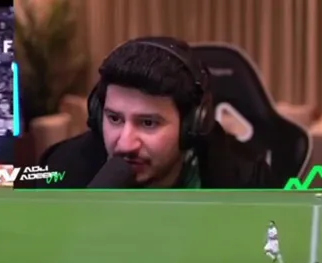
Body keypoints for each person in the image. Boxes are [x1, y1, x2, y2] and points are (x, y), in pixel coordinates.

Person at [16, 37, 278, 190]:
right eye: (114, 118)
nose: (125, 144)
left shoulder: (246, 180)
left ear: (191, 125)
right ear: (97, 114)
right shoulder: (61, 168)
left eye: (149, 123)